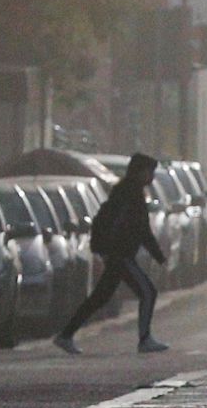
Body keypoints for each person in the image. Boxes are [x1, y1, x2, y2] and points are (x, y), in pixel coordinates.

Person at [53, 152, 169, 355]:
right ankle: (144, 339)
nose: (151, 177)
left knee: (101, 296)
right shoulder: (130, 194)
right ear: (140, 172)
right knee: (148, 292)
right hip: (120, 254)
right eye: (149, 171)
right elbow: (141, 229)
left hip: (117, 252)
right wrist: (159, 256)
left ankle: (66, 335)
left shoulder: (128, 191)